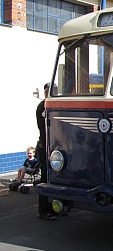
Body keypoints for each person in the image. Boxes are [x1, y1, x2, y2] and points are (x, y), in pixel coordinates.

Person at [36, 83, 56, 221]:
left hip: (52, 146)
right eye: (49, 91)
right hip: (45, 146)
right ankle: (43, 210)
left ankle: (54, 208)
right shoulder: (43, 106)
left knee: (54, 180)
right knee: (45, 178)